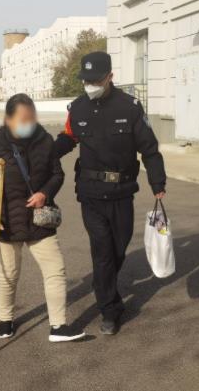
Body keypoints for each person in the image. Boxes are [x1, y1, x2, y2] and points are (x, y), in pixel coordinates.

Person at [55, 51, 167, 335]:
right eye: (86, 80)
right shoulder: (77, 108)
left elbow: (149, 149)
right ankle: (109, 310)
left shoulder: (130, 107)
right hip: (90, 193)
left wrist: (158, 183)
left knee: (118, 249)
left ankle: (102, 283)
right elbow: (68, 137)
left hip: (122, 192)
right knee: (103, 250)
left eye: (96, 80)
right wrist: (43, 154)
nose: (90, 85)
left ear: (110, 77)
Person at [0, 93, 85, 343]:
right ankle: (6, 319)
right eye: (23, 119)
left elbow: (57, 174)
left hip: (39, 219)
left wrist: (45, 193)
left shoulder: (44, 140)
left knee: (55, 269)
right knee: (8, 274)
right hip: (7, 220)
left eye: (31, 118)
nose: (29, 124)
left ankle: (58, 326)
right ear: (9, 119)